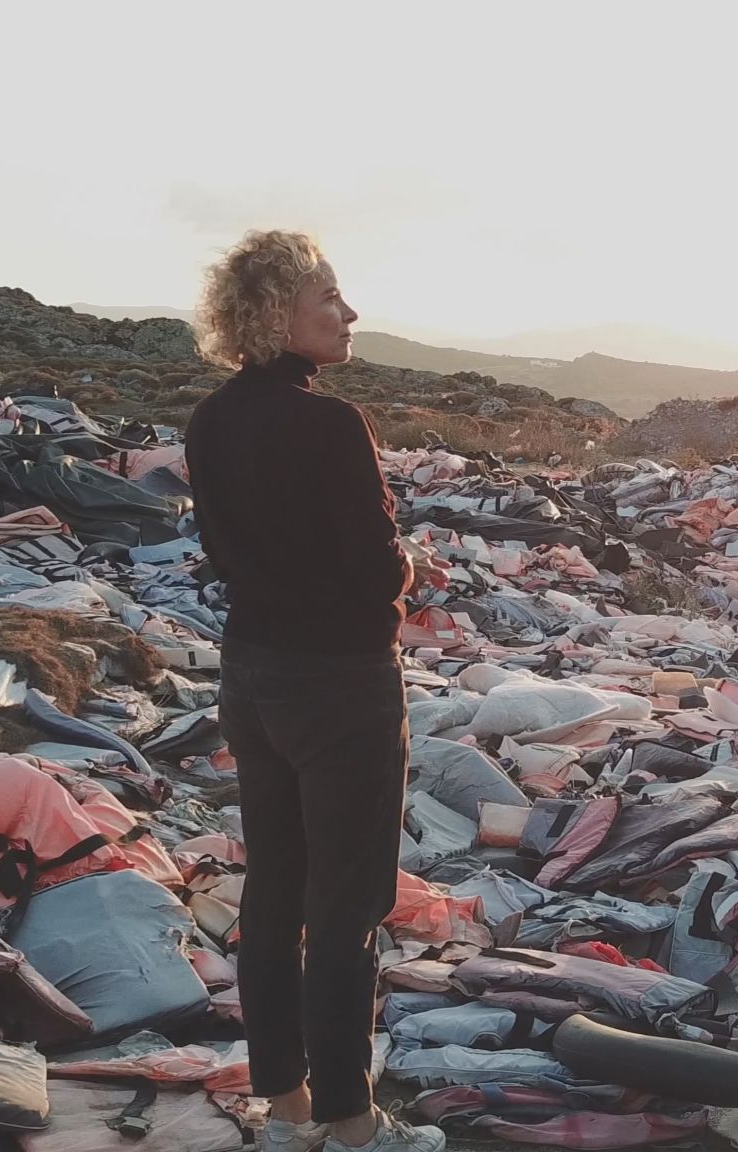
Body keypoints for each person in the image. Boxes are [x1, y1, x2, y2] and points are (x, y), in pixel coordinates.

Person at [187, 231, 443, 1152]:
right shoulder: (331, 424)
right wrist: (410, 567)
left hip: (251, 675)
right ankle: (353, 1123)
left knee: (275, 889)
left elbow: (225, 549)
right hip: (340, 684)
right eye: (328, 297)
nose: (349, 312)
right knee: (347, 905)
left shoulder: (210, 419)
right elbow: (374, 571)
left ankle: (288, 1106)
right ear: (274, 314)